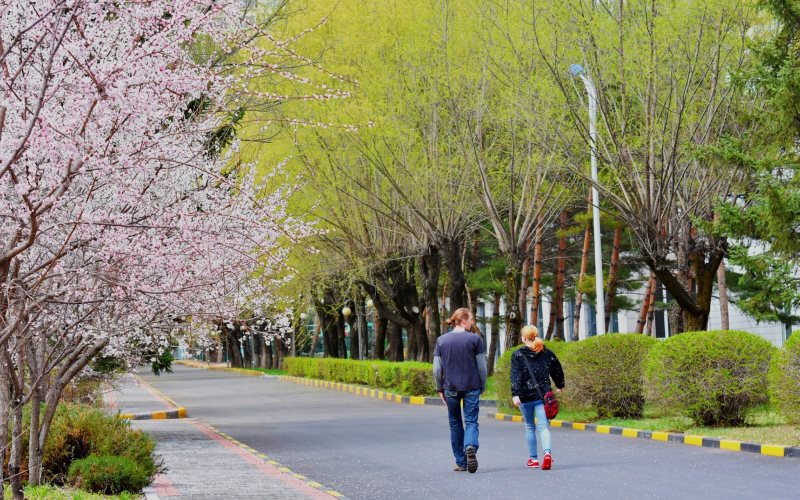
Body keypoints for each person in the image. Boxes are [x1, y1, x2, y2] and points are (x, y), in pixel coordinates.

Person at [433, 308, 487, 473]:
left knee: (455, 424)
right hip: (471, 386)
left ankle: (461, 462)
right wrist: (482, 384)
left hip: (450, 388)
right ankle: (470, 445)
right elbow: (482, 366)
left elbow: (436, 369)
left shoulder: (441, 341)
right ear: (464, 320)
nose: (472, 323)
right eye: (471, 320)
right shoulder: (475, 340)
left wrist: (439, 388)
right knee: (471, 421)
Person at [510, 325, 565, 471]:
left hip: (524, 396)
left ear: (523, 338)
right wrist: (559, 384)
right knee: (543, 427)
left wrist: (515, 394)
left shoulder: (517, 355)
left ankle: (533, 459)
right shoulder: (545, 352)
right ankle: (547, 453)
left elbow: (516, 375)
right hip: (543, 395)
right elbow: (556, 368)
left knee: (530, 426)